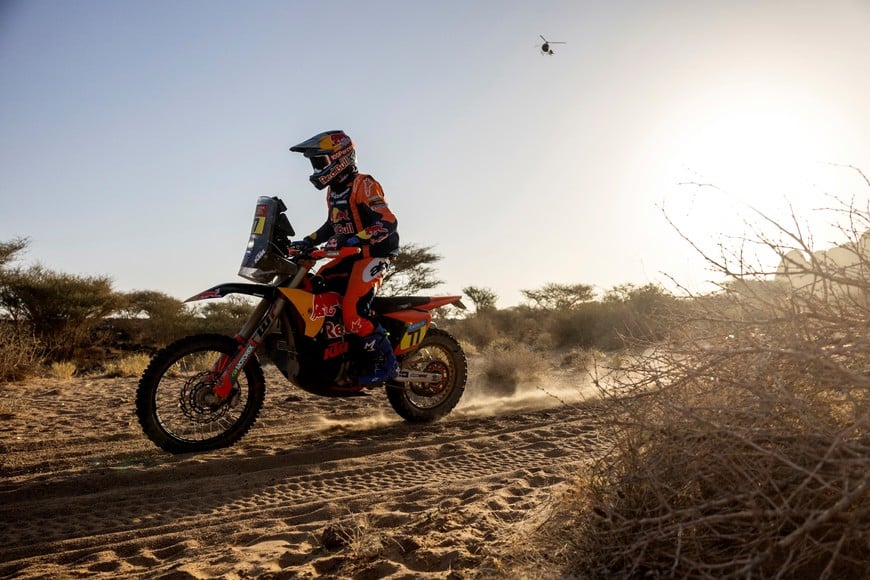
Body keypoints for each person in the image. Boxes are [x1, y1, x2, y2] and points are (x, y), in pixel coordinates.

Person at [289, 130, 400, 385]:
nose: (317, 168)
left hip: (374, 254)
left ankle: (386, 364)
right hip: (351, 254)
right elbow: (332, 225)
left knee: (352, 310)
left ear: (340, 159)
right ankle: (341, 349)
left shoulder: (364, 184)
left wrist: (359, 237)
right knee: (317, 285)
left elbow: (388, 221)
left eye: (320, 161)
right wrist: (308, 240)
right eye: (316, 163)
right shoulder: (333, 192)